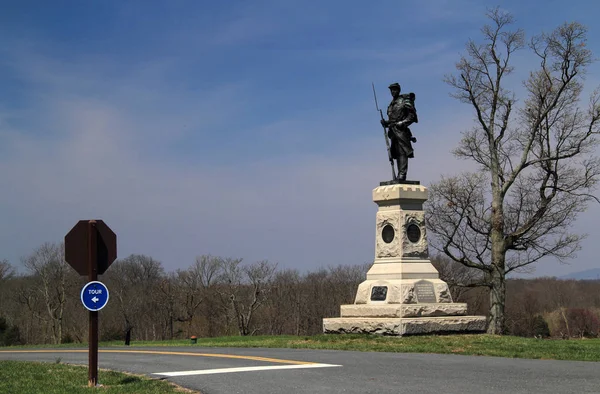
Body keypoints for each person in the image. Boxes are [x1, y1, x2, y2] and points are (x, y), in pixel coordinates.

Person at [380, 82, 418, 181]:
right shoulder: (391, 105)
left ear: (399, 90)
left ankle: (402, 174)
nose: (393, 91)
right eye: (391, 90)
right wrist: (386, 123)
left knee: (402, 152)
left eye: (395, 89)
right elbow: (392, 119)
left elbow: (412, 116)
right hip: (393, 132)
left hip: (401, 131)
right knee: (396, 154)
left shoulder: (404, 101)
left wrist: (403, 122)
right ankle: (399, 174)